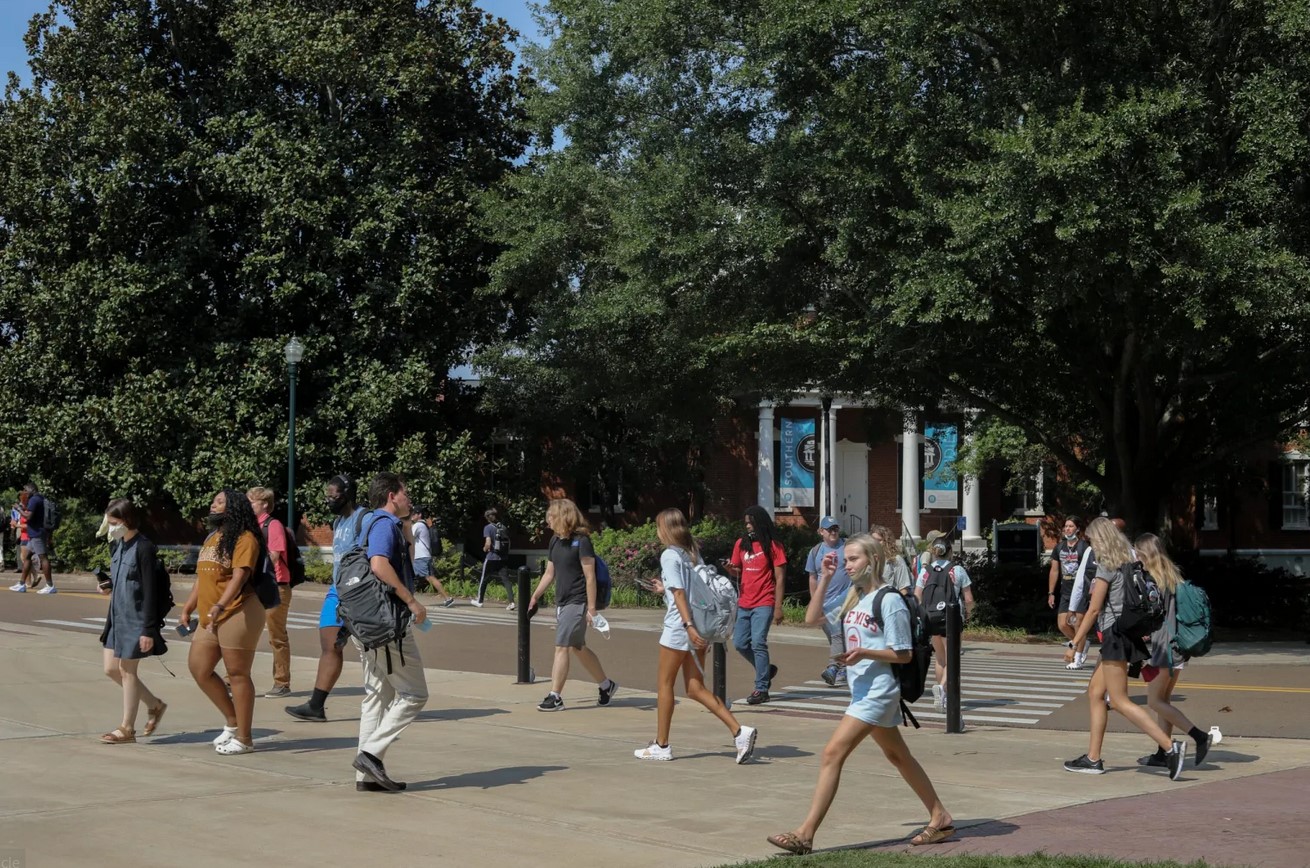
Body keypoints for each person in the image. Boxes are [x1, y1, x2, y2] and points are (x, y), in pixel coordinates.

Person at [767, 533, 957, 855]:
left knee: (832, 753)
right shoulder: (854, 597)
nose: (848, 565)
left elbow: (904, 654)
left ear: (874, 559)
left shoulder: (889, 600)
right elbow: (811, 619)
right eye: (845, 561)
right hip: (862, 691)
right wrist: (826, 578)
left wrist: (865, 653)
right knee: (898, 756)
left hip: (879, 692)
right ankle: (940, 816)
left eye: (854, 559)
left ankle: (805, 834)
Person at [1062, 517, 1187, 779]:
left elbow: (1093, 610)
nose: (1091, 546)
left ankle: (1169, 747)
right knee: (1096, 693)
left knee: (1119, 701)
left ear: (1101, 539)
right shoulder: (1130, 562)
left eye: (1093, 540)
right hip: (1124, 635)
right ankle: (1093, 758)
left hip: (1114, 636)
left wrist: (1075, 644)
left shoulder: (1107, 565)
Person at [633, 508, 757, 763]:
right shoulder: (691, 552)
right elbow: (690, 590)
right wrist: (665, 590)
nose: (657, 531)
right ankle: (739, 731)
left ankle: (662, 745)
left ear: (665, 529)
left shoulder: (669, 555)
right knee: (695, 687)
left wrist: (687, 625)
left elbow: (680, 594)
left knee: (665, 684)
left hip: (680, 627)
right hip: (700, 625)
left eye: (658, 526)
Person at [350, 472, 430, 792]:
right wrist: (411, 601)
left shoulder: (368, 522)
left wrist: (407, 525)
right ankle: (370, 755)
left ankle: (366, 777)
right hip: (387, 625)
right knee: (414, 694)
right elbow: (379, 565)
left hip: (367, 624)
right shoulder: (384, 524)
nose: (409, 498)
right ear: (391, 496)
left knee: (377, 696)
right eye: (405, 493)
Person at [177, 489, 265, 755]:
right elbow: (202, 577)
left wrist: (220, 605)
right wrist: (188, 606)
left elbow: (239, 577)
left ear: (234, 507)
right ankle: (233, 721)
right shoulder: (212, 537)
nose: (213, 505)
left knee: (237, 674)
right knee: (199, 668)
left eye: (219, 502)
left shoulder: (245, 538)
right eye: (213, 501)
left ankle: (245, 739)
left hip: (238, 611)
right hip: (210, 615)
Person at [1134, 533, 1219, 770]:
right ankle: (1163, 753)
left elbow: (1151, 614)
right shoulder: (1171, 573)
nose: (1135, 556)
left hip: (1165, 648)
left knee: (1154, 701)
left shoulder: (1153, 579)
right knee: (1164, 700)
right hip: (1177, 646)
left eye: (1137, 552)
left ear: (1145, 553)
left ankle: (1199, 737)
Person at [286, 474, 365, 722]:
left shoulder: (364, 518)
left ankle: (395, 697)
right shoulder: (338, 521)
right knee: (330, 646)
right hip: (336, 591)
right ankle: (316, 705)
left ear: (347, 494)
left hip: (358, 593)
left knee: (375, 651)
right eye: (327, 496)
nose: (329, 500)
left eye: (334, 495)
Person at [528, 498, 618, 712]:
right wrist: (535, 596)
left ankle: (555, 696)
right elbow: (549, 573)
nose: (548, 521)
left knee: (562, 646)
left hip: (578, 601)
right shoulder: (555, 541)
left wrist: (592, 609)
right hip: (562, 601)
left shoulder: (582, 541)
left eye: (551, 516)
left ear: (563, 516)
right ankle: (606, 686)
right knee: (578, 647)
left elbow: (590, 577)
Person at [97, 498, 168, 744]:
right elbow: (123, 580)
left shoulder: (144, 548)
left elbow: (149, 590)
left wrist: (148, 629)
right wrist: (107, 585)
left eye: (114, 522)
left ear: (126, 520)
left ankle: (127, 729)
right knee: (110, 669)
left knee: (127, 671)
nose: (111, 527)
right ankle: (154, 704)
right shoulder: (118, 545)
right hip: (116, 618)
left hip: (135, 620)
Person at [727, 504, 786, 705]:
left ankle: (761, 689)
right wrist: (729, 568)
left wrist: (778, 607)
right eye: (746, 523)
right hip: (745, 601)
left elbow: (780, 577)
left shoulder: (773, 546)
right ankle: (766, 670)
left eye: (751, 523)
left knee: (758, 642)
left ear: (760, 523)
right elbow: (738, 570)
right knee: (740, 643)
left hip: (764, 601)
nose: (748, 527)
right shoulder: (741, 544)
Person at [915, 536, 975, 711]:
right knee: (953, 658)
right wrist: (969, 613)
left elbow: (917, 596)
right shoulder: (957, 570)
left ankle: (943, 697)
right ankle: (942, 688)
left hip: (931, 618)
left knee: (940, 659)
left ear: (933, 552)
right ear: (950, 551)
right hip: (951, 618)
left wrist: (922, 615)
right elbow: (969, 598)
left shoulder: (925, 571)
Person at [248, 487, 293, 698]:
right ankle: (234, 679)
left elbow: (274, 556)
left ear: (265, 504)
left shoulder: (272, 525)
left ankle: (282, 683)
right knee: (244, 633)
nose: (249, 506)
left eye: (252, 502)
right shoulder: (250, 526)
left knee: (277, 636)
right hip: (255, 585)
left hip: (276, 586)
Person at [805, 516, 851, 687]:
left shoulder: (847, 546)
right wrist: (815, 601)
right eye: (829, 529)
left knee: (838, 634)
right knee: (835, 638)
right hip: (824, 603)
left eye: (835, 528)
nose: (833, 532)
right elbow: (812, 577)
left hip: (845, 600)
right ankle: (844, 667)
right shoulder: (815, 551)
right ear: (821, 532)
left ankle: (833, 667)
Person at [1048, 516, 1093, 668]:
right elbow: (1054, 570)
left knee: (1077, 624)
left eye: (1071, 526)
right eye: (1066, 526)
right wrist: (1051, 593)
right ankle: (1082, 643)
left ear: (1077, 529)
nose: (1067, 529)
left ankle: (1078, 657)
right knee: (1062, 624)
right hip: (1066, 591)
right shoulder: (1059, 547)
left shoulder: (1084, 547)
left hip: (1080, 591)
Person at [410, 506, 455, 608]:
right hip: (425, 556)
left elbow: (409, 538)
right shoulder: (424, 525)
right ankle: (447, 598)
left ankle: (407, 601)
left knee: (421, 577)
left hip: (420, 557)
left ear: (419, 515)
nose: (411, 515)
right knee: (429, 577)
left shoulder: (417, 525)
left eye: (414, 513)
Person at [473, 507, 516, 609]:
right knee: (506, 580)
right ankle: (512, 602)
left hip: (491, 557)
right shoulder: (503, 527)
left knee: (484, 579)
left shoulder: (488, 528)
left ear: (487, 518)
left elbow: (488, 543)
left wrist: (484, 549)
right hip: (503, 558)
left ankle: (479, 601)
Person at [18, 483, 55, 593]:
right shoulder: (41, 498)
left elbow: (28, 516)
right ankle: (21, 584)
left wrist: (19, 509)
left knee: (43, 557)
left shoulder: (34, 499)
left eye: (26, 490)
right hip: (35, 533)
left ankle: (50, 586)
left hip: (37, 533)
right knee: (27, 557)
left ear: (31, 489)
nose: (25, 492)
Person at [870, 524, 913, 595]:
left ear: (887, 542)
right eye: (873, 540)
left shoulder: (896, 560)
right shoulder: (867, 560)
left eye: (879, 540)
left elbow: (904, 589)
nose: (875, 543)